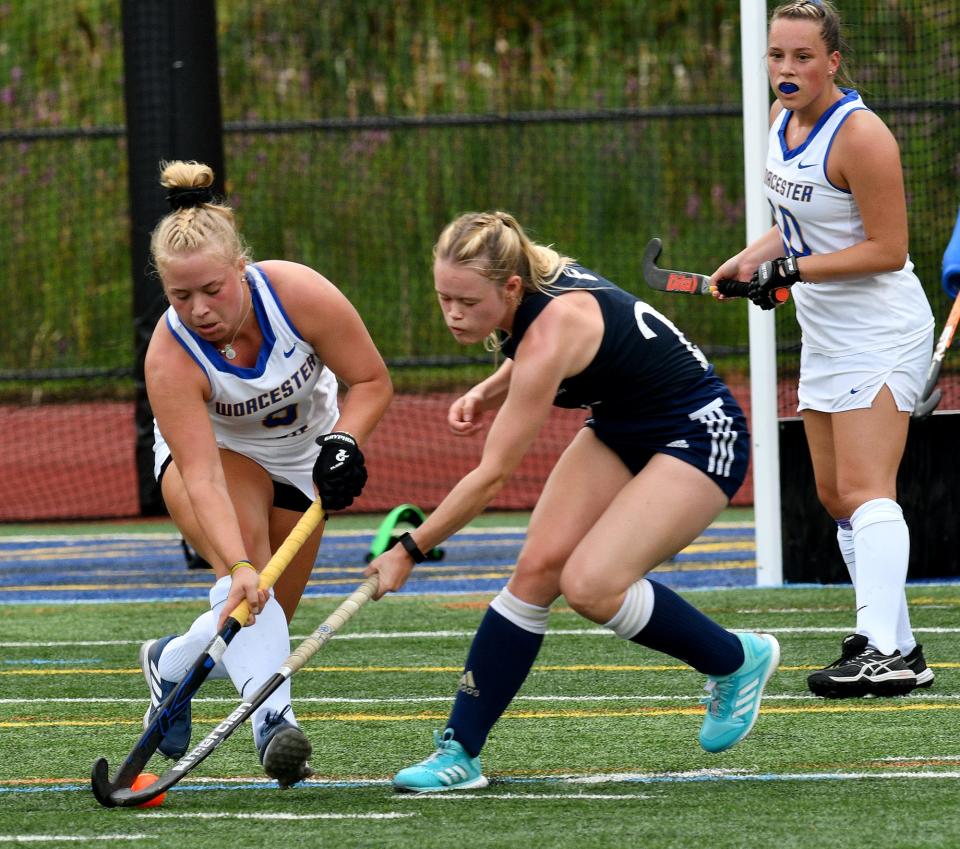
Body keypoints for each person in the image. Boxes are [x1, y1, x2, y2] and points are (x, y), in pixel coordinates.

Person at [364, 210, 780, 793]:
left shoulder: (552, 328)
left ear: (510, 288)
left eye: (466, 301)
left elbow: (492, 476)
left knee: (591, 585)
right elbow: (530, 353)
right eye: (442, 298)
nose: (453, 314)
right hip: (620, 426)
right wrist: (488, 389)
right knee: (536, 571)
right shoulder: (531, 282)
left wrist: (410, 548)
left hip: (700, 433)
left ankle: (735, 658)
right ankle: (459, 753)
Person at [140, 160, 392, 786]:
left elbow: (371, 380)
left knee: (266, 614)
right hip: (217, 459)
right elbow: (200, 475)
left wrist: (344, 443)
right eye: (181, 296)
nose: (199, 309)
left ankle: (169, 666)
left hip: (306, 459)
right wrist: (238, 564)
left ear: (240, 270)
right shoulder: (170, 359)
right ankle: (273, 724)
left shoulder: (296, 293)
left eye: (213, 290)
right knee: (248, 575)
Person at [711, 0, 935, 698]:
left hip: (881, 329)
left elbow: (887, 248)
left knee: (869, 489)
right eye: (777, 55)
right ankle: (901, 648)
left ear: (832, 61)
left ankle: (880, 648)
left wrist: (793, 271)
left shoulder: (862, 136)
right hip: (826, 333)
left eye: (802, 56)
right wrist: (748, 260)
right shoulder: (783, 124)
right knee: (838, 496)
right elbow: (796, 225)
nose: (786, 68)